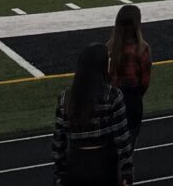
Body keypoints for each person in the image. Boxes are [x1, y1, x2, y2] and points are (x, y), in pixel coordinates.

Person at [51, 43, 133, 186]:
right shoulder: (112, 96)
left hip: (75, 161)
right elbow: (122, 139)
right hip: (104, 163)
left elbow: (59, 141)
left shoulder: (65, 98)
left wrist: (59, 172)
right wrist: (127, 172)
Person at [107, 5, 152, 149]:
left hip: (111, 105)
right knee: (127, 151)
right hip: (131, 104)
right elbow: (144, 83)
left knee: (109, 152)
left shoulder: (108, 49)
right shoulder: (141, 50)